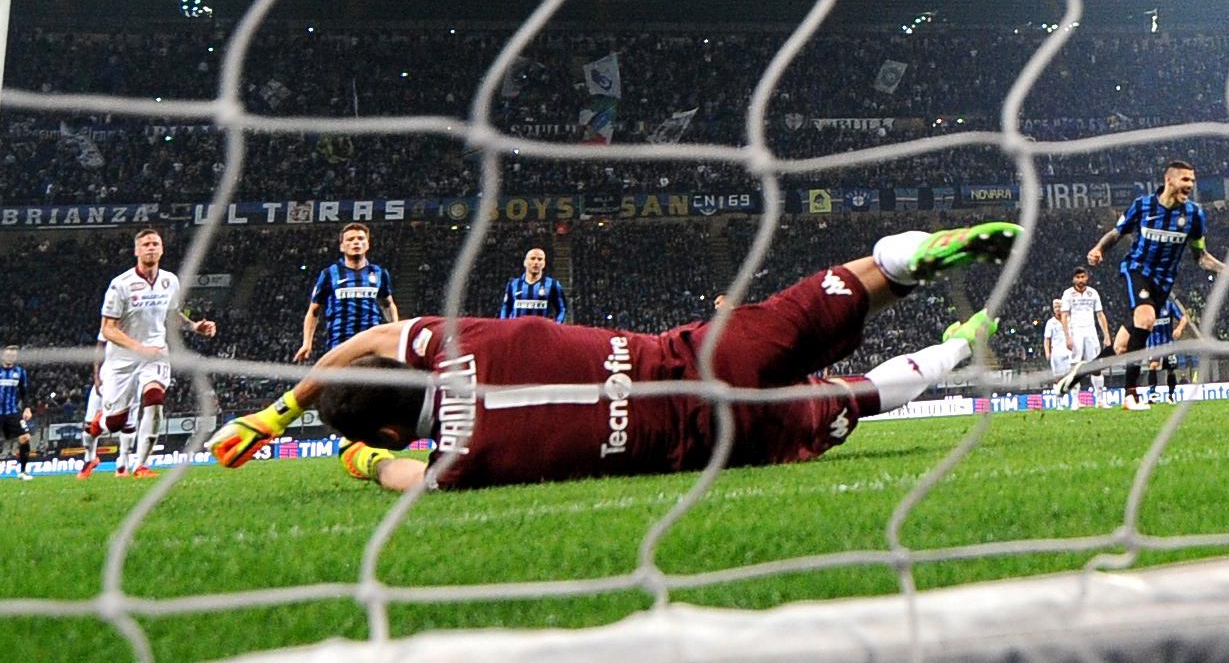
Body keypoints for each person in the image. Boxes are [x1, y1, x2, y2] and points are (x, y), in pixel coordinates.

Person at [209, 222, 1020, 491]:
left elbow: (401, 476)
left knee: (852, 400)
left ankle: (953, 348)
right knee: (832, 295)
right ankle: (910, 258)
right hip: (693, 352)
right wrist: (276, 409)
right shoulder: (452, 341)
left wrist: (356, 457)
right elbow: (365, 340)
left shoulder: (458, 460)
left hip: (711, 436)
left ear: (393, 429)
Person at [1086, 160, 1229, 406]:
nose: (1190, 184)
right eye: (1185, 179)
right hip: (1137, 270)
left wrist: (1224, 268)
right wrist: (1099, 249)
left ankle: (1083, 371)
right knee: (1146, 320)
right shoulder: (1142, 206)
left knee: (1121, 346)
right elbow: (1117, 233)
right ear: (1169, 180)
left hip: (1163, 284)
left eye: (1192, 180)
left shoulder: (1194, 215)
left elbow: (1200, 256)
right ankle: (1130, 395)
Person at [85, 228, 218, 479]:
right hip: (122, 359)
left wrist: (194, 326)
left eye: (155, 244)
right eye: (145, 244)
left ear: (162, 249)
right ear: (136, 250)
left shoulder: (170, 281)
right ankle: (99, 422)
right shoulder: (120, 285)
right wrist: (138, 348)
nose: (151, 248)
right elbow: (108, 329)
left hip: (156, 352)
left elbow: (171, 314)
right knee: (114, 423)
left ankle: (141, 465)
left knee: (155, 399)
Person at [295, 222, 399, 363]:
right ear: (342, 247)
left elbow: (388, 304)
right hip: (340, 343)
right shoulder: (329, 274)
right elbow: (314, 311)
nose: (356, 242)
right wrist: (307, 343)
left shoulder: (379, 272)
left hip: (371, 343)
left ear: (367, 245)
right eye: (350, 239)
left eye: (360, 238)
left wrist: (395, 334)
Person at [1058, 267, 1110, 396]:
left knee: (1095, 366)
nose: (1080, 280)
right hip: (1075, 332)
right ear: (1073, 279)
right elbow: (1064, 316)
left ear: (1087, 277)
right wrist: (1067, 337)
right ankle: (1075, 401)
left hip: (1091, 332)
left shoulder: (1093, 293)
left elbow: (1100, 315)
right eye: (1078, 277)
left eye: (1083, 277)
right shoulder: (1068, 294)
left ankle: (1100, 399)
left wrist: (1106, 335)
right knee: (1074, 367)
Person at [499, 246, 569, 323]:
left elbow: (562, 309)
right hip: (517, 329)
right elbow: (505, 307)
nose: (536, 262)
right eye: (532, 258)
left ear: (544, 263)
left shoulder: (552, 284)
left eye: (540, 259)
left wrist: (556, 325)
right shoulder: (513, 284)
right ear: (525, 262)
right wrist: (504, 325)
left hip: (541, 329)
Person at [0, 345, 31, 479]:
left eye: (13, 356)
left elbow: (24, 392)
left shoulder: (20, 372)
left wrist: (27, 408)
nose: (11, 357)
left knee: (25, 438)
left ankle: (23, 472)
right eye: (8, 355)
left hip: (12, 412)